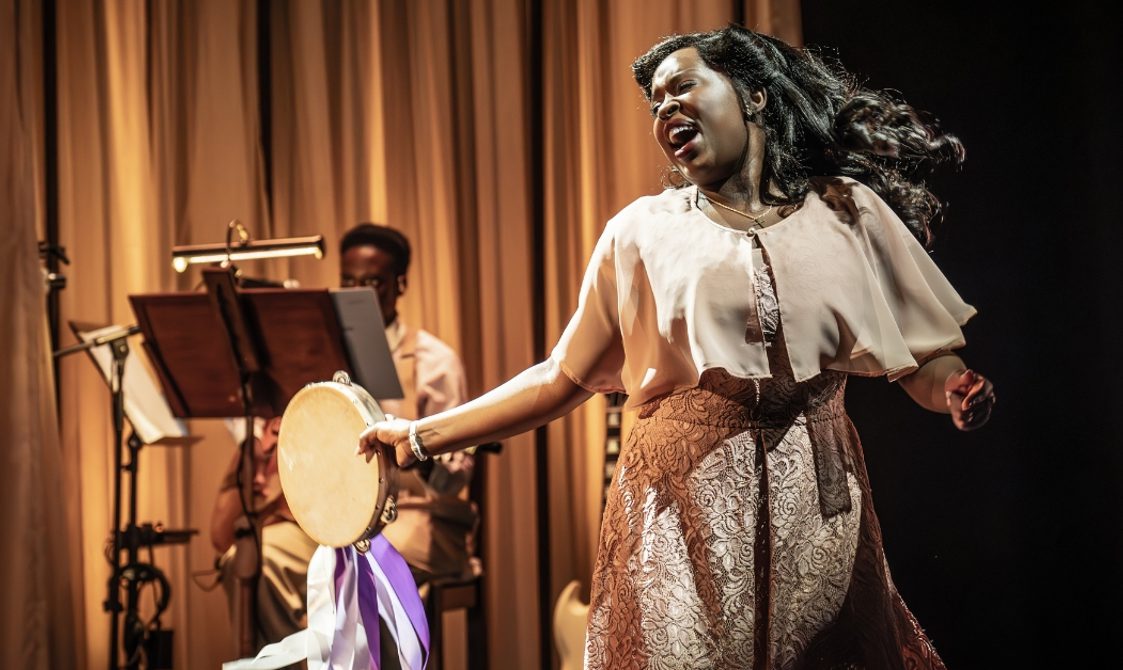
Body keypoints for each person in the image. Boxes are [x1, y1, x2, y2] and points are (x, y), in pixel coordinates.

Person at [359, 24, 995, 670]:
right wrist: (418, 436)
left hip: (815, 504)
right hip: (681, 510)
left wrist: (951, 388)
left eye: (681, 87)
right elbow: (561, 377)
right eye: (655, 102)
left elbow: (921, 355)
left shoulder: (846, 212)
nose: (664, 108)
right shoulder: (642, 232)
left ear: (754, 96)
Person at [210, 223, 476, 654]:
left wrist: (411, 443)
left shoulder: (434, 361)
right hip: (336, 522)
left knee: (366, 578)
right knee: (258, 560)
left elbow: (454, 479)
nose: (359, 292)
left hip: (412, 518)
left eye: (373, 281)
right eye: (349, 281)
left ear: (400, 284)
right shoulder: (318, 354)